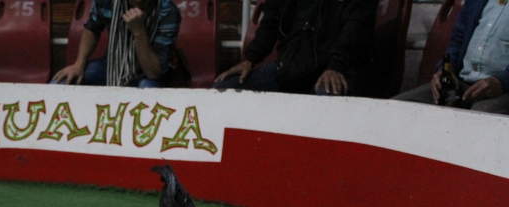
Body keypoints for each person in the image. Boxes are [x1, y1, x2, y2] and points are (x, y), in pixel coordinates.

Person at [214, 0, 377, 96]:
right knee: (225, 88)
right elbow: (270, 22)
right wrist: (250, 59)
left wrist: (336, 66)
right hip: (292, 69)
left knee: (326, 96)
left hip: (339, 68)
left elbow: (356, 28)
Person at [392, 0, 509, 114]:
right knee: (394, 107)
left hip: (503, 91)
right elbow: (457, 41)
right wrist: (446, 70)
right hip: (462, 84)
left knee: (480, 119)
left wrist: (502, 82)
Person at [51, 0, 180, 88]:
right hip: (113, 65)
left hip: (148, 72)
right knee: (63, 82)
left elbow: (153, 72)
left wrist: (139, 32)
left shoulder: (168, 11)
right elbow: (92, 27)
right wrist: (79, 64)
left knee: (147, 89)